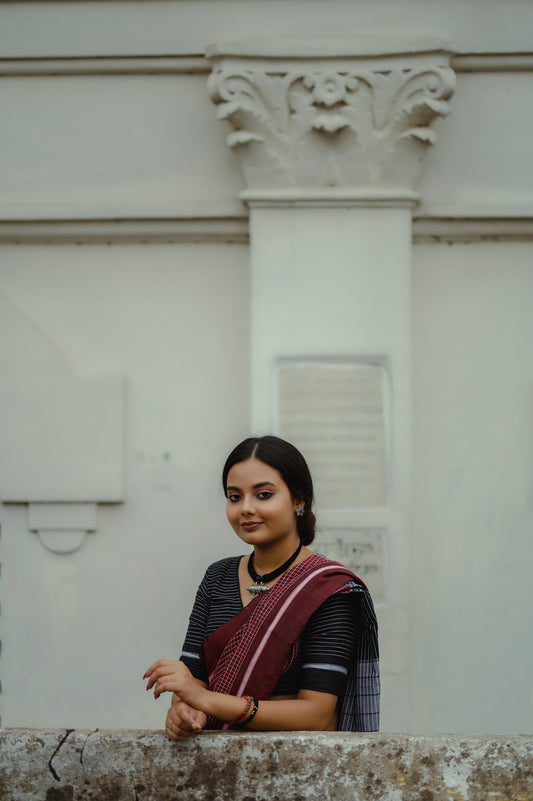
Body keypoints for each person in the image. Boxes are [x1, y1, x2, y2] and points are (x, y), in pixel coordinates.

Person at [144, 435, 380, 739]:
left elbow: (317, 715)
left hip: (298, 769)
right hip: (214, 771)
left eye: (264, 495)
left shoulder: (330, 589)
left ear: (299, 499)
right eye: (234, 497)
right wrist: (184, 711)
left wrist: (207, 701)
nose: (246, 508)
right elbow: (194, 684)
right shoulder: (217, 578)